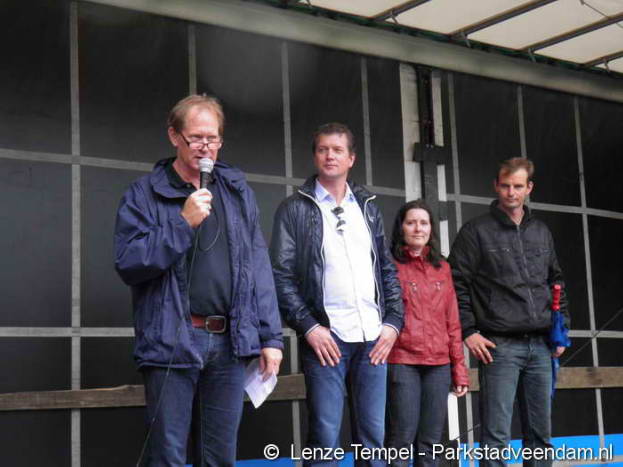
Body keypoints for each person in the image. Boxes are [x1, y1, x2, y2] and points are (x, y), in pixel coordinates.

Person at [114, 94, 283, 466]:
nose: (205, 147)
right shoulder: (144, 194)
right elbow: (128, 263)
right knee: (168, 455)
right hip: (173, 338)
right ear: (174, 136)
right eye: (196, 138)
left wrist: (270, 337)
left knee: (220, 456)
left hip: (229, 342)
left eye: (213, 138)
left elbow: (258, 266)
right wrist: (182, 223)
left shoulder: (237, 192)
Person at [270, 122, 403, 466]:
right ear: (315, 156)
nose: (330, 155)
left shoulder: (368, 206)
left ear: (351, 158)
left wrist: (393, 323)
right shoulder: (294, 208)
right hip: (326, 339)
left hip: (372, 337)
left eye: (337, 150)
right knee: (325, 438)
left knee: (373, 440)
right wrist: (309, 327)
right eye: (323, 149)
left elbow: (386, 268)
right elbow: (280, 276)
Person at [448, 157, 569, 467]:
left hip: (541, 346)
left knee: (540, 438)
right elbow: (454, 284)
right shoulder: (475, 232)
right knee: (496, 438)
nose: (511, 193)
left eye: (517, 186)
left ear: (529, 188)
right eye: (505, 186)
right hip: (498, 347)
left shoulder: (541, 231)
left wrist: (561, 330)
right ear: (495, 186)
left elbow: (555, 281)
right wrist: (468, 331)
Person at [385, 199, 469, 467]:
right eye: (411, 222)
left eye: (423, 223)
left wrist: (459, 369)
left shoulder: (442, 267)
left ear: (431, 228)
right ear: (401, 228)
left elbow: (452, 321)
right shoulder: (389, 265)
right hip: (402, 361)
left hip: (439, 365)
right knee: (401, 439)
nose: (418, 228)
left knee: (431, 442)